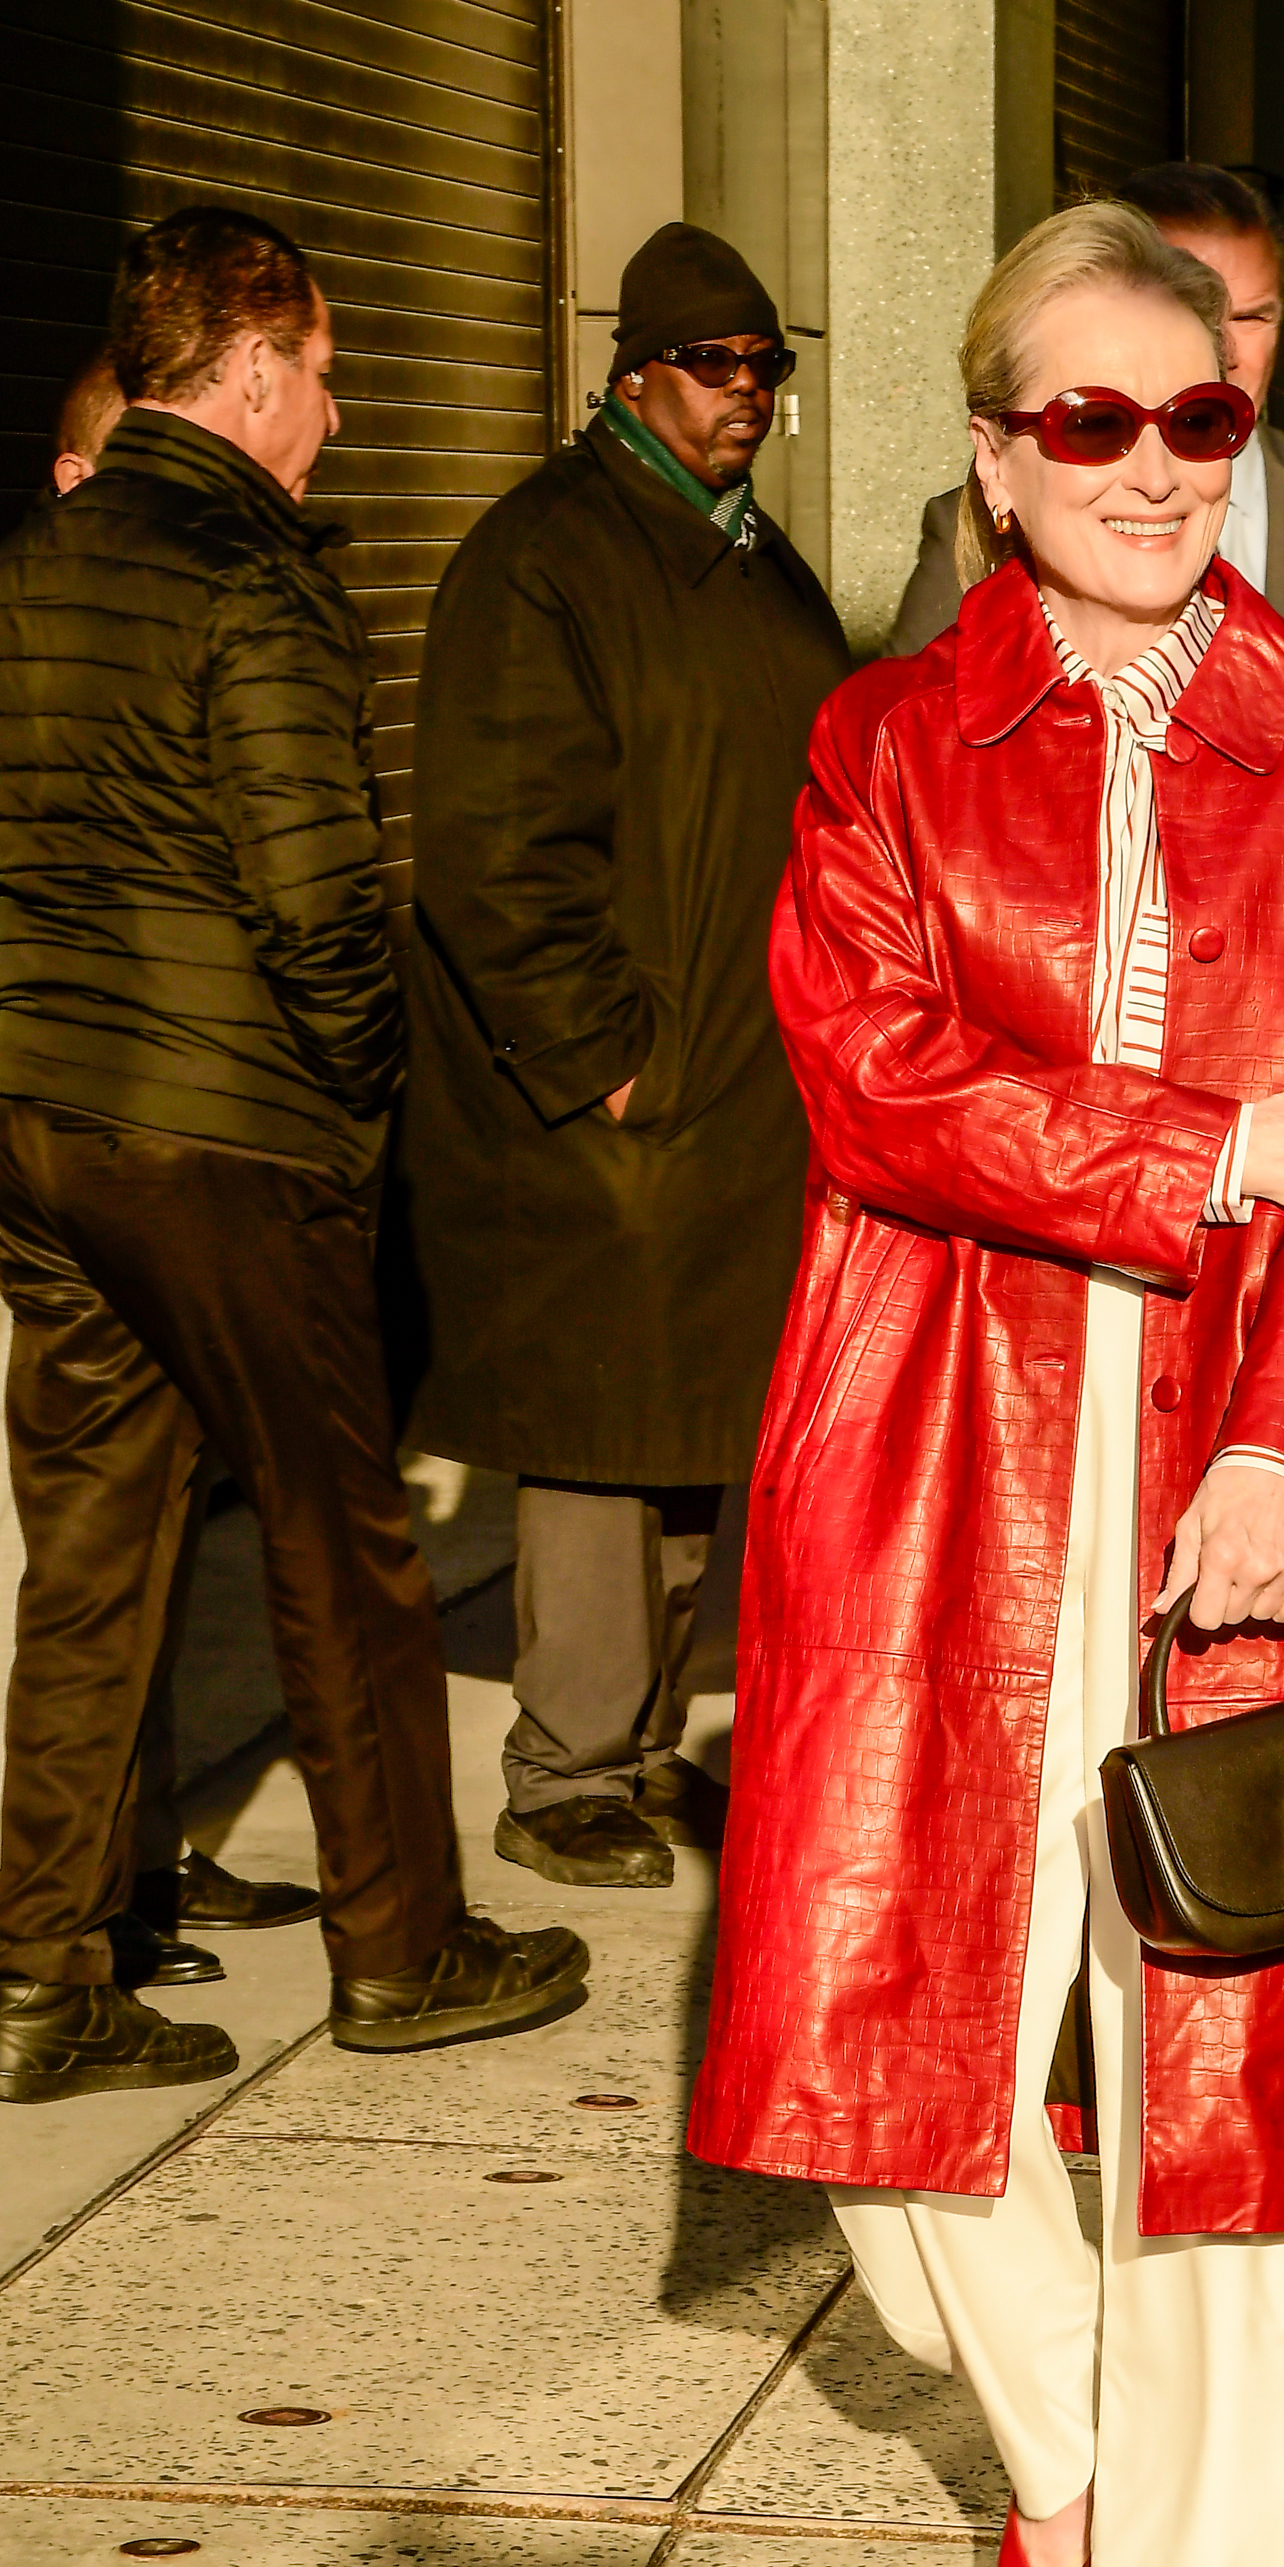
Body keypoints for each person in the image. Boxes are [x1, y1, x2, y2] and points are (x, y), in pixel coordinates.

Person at [688, 203, 1284, 2567]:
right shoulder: (883, 749)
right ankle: (1061, 2452)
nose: (1152, 468)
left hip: (1237, 1461)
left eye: (1197, 416)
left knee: (1245, 2079)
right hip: (931, 1453)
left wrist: (1280, 1458)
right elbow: (876, 1086)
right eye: (1092, 421)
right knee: (878, 2042)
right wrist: (1220, 1141)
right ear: (997, 456)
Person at [0, 205, 588, 2099]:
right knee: (345, 1544)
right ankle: (403, 1948)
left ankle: (37, 1978)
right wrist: (353, 1108)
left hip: (40, 1118)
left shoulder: (26, 563)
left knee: (90, 1553)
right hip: (227, 1127)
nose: (336, 411)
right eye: (322, 372)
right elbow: (321, 898)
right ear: (251, 366)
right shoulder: (253, 576)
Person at [402, 223, 850, 1894]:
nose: (746, 393)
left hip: (739, 1080)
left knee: (689, 1430)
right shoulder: (548, 552)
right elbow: (495, 842)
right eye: (713, 364)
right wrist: (605, 1058)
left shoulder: (746, 554)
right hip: (620, 1094)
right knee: (601, 1434)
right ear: (635, 372)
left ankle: (645, 1750)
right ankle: (567, 1770)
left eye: (764, 366)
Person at [0, 345, 324, 1993]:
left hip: (88, 1115)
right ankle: (76, 1914)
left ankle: (109, 1887)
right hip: (114, 1126)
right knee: (95, 1543)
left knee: (122, 1534)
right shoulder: (74, 608)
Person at [886, 163, 1284, 911]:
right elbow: (911, 765)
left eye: (1252, 317)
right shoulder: (889, 714)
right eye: (1097, 425)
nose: (1226, 350)